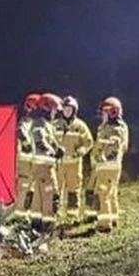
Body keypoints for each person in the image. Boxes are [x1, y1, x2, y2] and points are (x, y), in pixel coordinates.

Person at [53, 95, 94, 225]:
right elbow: (49, 140)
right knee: (56, 189)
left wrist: (80, 152)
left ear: (74, 110)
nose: (67, 111)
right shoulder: (55, 124)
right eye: (65, 108)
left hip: (74, 164)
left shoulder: (80, 126)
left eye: (69, 109)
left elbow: (88, 141)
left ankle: (72, 215)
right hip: (59, 164)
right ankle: (55, 214)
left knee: (73, 190)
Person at [91, 96, 129, 233]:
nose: (102, 115)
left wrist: (101, 154)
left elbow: (115, 145)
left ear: (112, 112)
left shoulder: (117, 128)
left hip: (109, 165)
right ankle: (113, 218)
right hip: (106, 165)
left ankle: (104, 223)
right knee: (111, 193)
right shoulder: (105, 127)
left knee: (103, 193)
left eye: (104, 112)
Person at [29, 93, 65, 230]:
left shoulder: (44, 123)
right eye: (55, 110)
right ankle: (48, 224)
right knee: (51, 193)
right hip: (44, 166)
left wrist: (58, 148)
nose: (56, 113)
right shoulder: (39, 123)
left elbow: (50, 141)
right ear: (47, 108)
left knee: (39, 194)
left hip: (41, 166)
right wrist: (53, 152)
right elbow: (40, 141)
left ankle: (36, 222)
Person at [14, 93, 42, 221]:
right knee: (24, 186)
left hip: (34, 159)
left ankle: (28, 211)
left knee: (32, 187)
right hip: (26, 159)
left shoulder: (36, 122)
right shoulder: (24, 121)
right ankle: (20, 213)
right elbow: (21, 133)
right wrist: (27, 145)